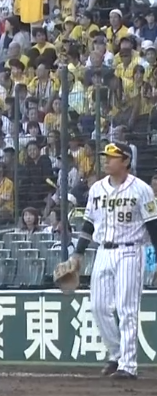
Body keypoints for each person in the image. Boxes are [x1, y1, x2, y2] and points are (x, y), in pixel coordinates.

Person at [71, 142, 157, 380]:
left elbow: (153, 225)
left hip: (130, 251)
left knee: (126, 308)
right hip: (103, 251)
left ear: (126, 161)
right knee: (98, 306)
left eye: (112, 157)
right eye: (105, 156)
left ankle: (128, 365)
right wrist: (78, 253)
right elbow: (89, 224)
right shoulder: (97, 188)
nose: (106, 160)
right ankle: (117, 354)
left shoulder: (142, 189)